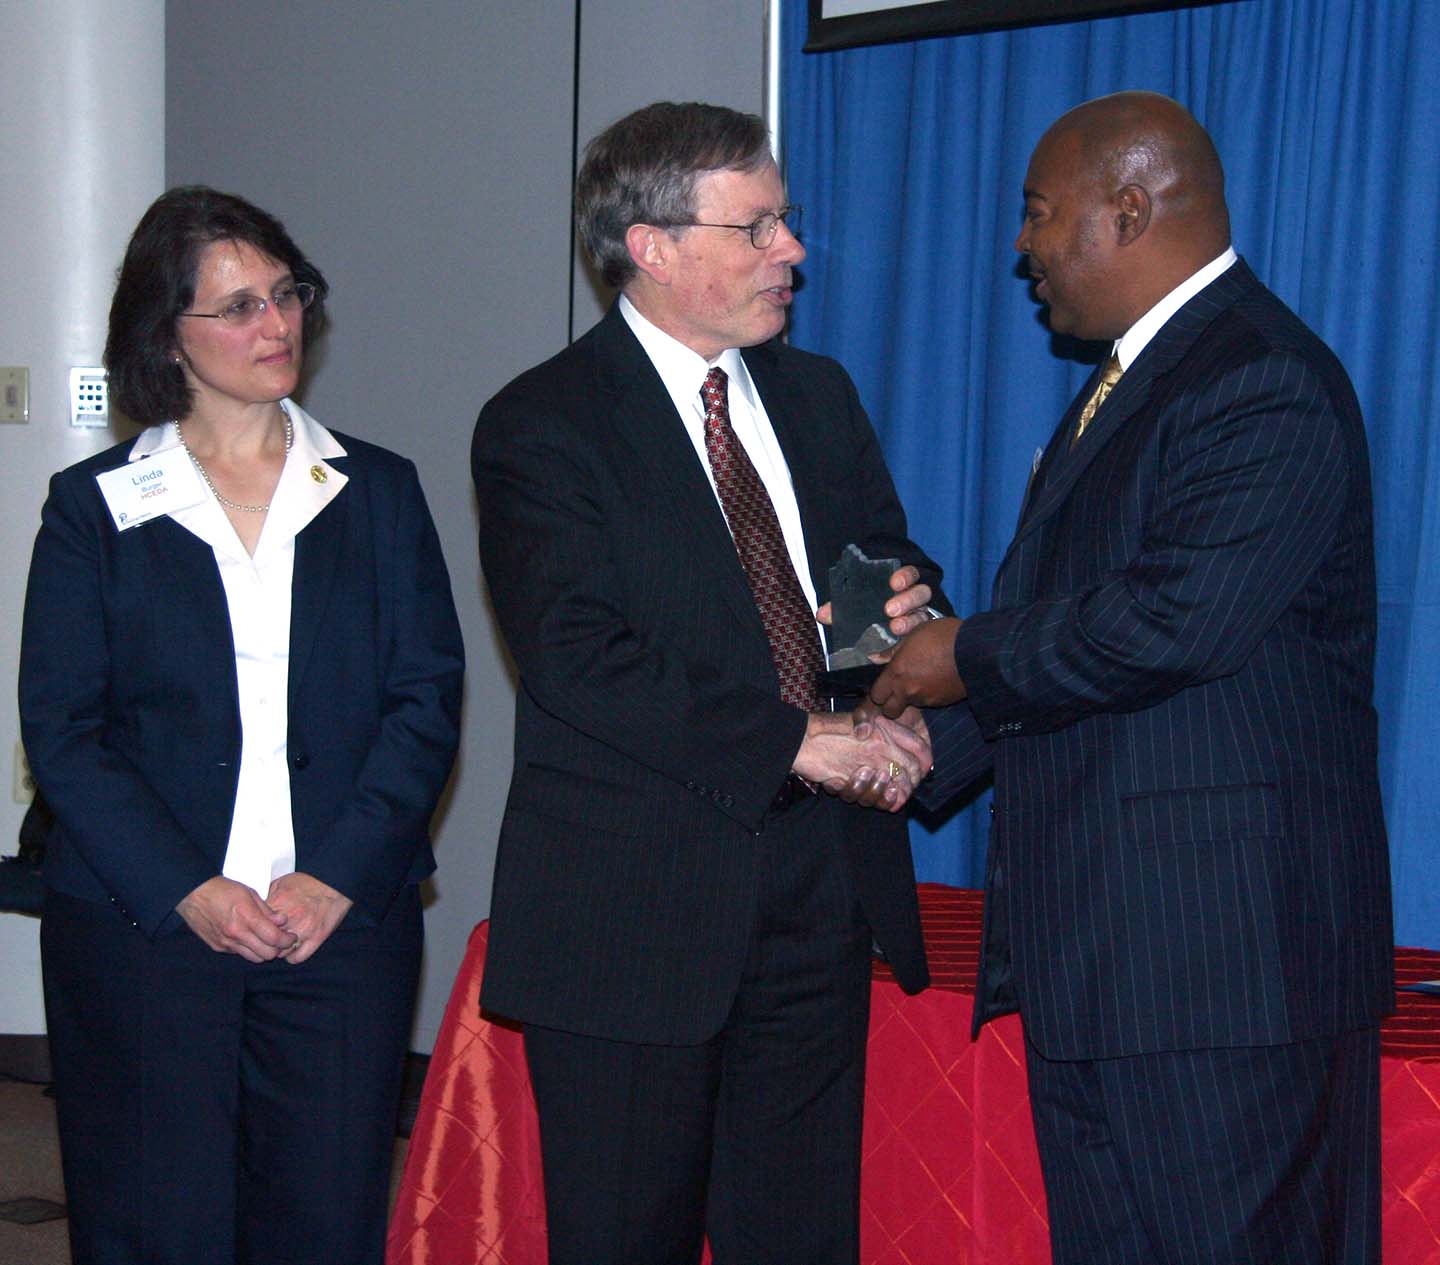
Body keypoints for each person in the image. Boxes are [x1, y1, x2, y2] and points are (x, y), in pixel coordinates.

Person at [859, 91, 1394, 1264]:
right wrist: (890, 747)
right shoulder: (1133, 386)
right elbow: (1082, 656)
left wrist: (960, 656)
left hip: (1224, 981)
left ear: (1133, 208)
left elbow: (1174, 622)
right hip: (1114, 970)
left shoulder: (1260, 378)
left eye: (1039, 214)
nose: (1022, 247)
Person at [472, 101, 944, 1264]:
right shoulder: (543, 423)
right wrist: (798, 736)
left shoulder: (817, 393)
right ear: (654, 247)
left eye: (784, 220)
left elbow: (864, 590)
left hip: (819, 886)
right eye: (759, 225)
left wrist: (893, 680)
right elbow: (581, 655)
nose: (792, 248)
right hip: (637, 911)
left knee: (798, 1233)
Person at [19, 186, 465, 1265]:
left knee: (321, 1217)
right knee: (153, 1221)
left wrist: (336, 874)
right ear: (163, 336)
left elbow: (427, 698)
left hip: (338, 928)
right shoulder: (95, 506)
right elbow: (64, 729)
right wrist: (192, 889)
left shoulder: (379, 492)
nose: (274, 325)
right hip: (146, 932)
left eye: (285, 294)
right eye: (235, 307)